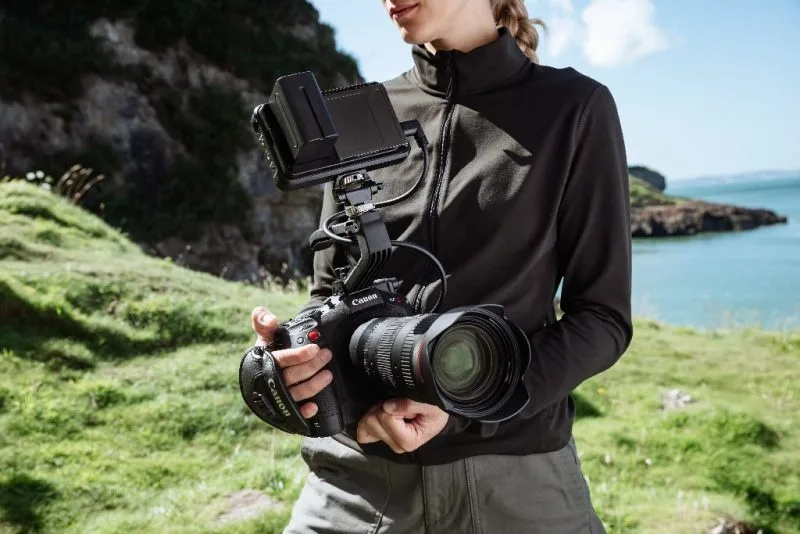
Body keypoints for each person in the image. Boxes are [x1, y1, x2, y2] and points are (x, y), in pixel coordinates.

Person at [250, 0, 633, 532]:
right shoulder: (360, 114)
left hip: (517, 485)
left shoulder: (574, 107)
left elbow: (603, 318)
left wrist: (466, 404)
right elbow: (327, 295)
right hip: (356, 482)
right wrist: (297, 362)